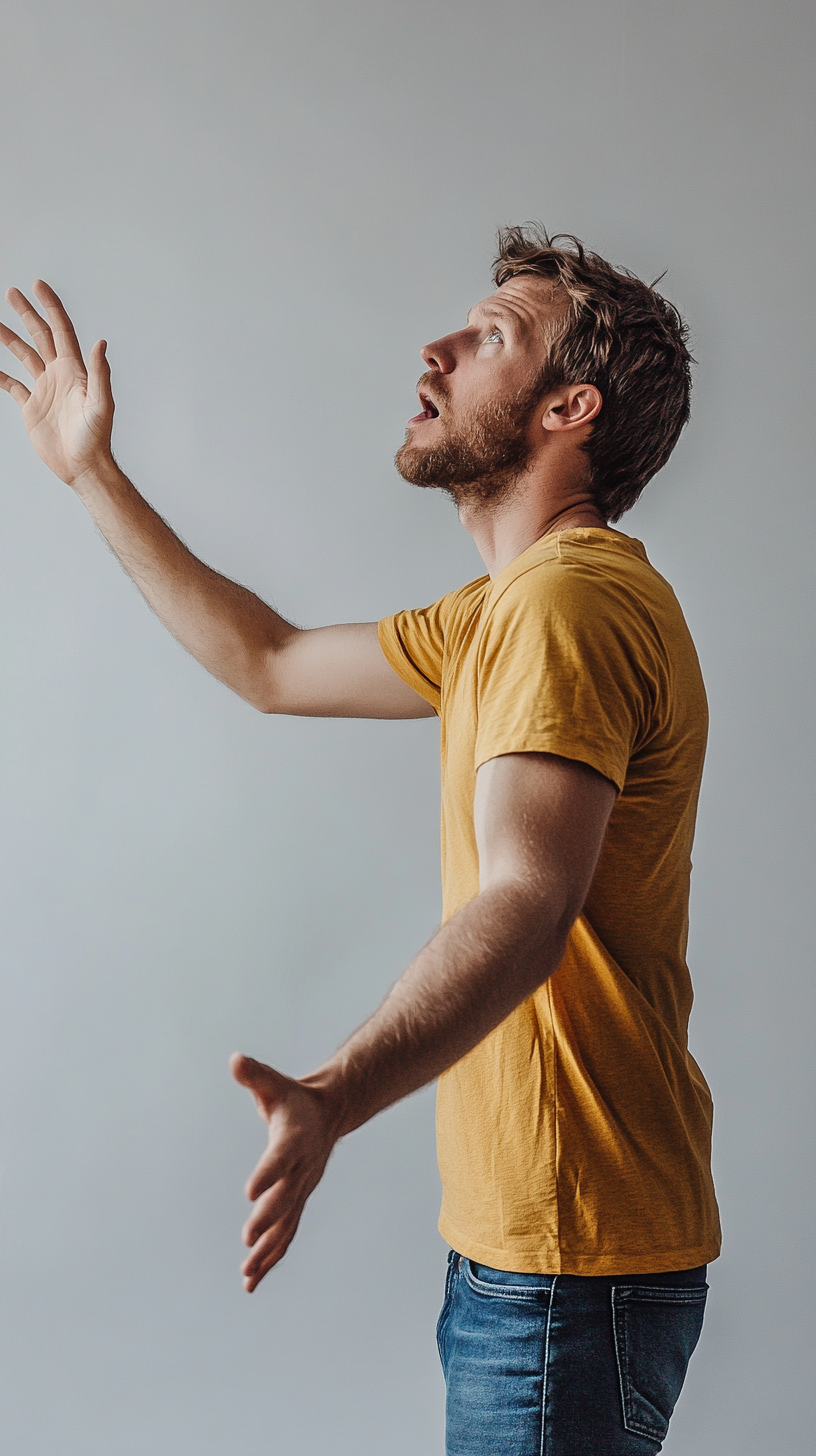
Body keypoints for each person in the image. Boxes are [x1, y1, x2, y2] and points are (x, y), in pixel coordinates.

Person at [0, 227, 720, 1455]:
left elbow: (526, 901)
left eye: (491, 336)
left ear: (569, 408)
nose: (433, 349)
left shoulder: (569, 604)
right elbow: (269, 662)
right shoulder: (503, 611)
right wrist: (89, 475)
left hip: (567, 1258)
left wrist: (333, 1096)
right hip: (539, 1256)